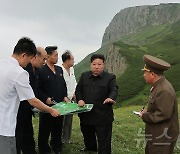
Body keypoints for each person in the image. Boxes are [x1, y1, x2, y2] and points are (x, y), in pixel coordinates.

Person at [0, 37, 60, 154]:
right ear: (23, 55)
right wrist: (51, 111)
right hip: (7, 125)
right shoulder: (19, 72)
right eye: (29, 58)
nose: (29, 62)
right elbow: (32, 100)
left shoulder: (2, 64)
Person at [75, 54, 118, 154]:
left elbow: (114, 89)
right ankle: (90, 148)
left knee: (104, 141)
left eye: (99, 64)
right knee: (87, 135)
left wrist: (110, 98)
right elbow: (78, 90)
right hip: (86, 114)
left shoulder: (110, 78)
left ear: (104, 65)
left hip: (102, 116)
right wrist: (80, 99)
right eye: (94, 64)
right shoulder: (84, 76)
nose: (96, 67)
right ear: (91, 65)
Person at [139, 55, 179, 154]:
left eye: (145, 72)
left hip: (162, 138)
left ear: (152, 74)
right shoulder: (158, 86)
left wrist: (145, 115)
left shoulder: (164, 90)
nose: (144, 75)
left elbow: (163, 114)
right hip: (157, 135)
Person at [15, 47, 47, 154]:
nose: (44, 62)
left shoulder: (38, 71)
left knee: (28, 137)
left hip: (28, 111)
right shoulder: (23, 70)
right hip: (18, 110)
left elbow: (36, 90)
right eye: (43, 59)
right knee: (18, 138)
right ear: (35, 57)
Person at [38, 46, 69, 154]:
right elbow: (38, 89)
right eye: (55, 55)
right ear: (48, 56)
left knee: (58, 129)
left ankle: (57, 148)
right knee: (44, 130)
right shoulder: (41, 70)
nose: (57, 57)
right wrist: (45, 98)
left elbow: (63, 85)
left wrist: (65, 96)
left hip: (60, 106)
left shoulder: (59, 69)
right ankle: (44, 149)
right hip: (47, 107)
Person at [61, 50, 77, 144]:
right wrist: (64, 96)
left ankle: (66, 139)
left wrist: (75, 93)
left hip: (71, 98)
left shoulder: (72, 70)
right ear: (67, 60)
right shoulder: (60, 70)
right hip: (63, 99)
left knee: (69, 120)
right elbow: (60, 85)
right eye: (72, 59)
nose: (73, 61)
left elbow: (74, 81)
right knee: (61, 121)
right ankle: (59, 138)